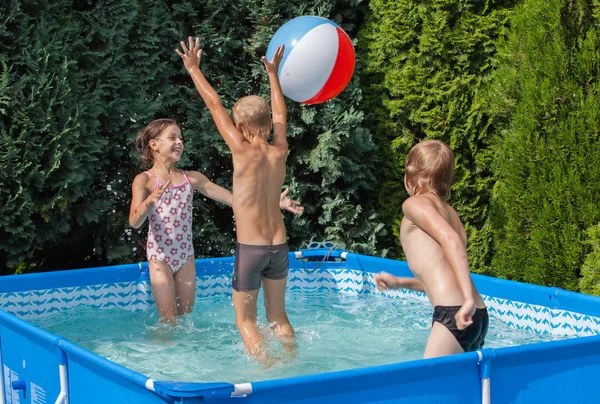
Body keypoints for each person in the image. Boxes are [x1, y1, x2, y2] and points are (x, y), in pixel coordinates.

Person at [176, 37, 295, 361]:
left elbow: (214, 104)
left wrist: (193, 68)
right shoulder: (280, 150)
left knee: (246, 321)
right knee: (278, 318)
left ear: (240, 126)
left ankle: (267, 370)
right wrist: (273, 74)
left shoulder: (241, 150)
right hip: (279, 246)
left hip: (251, 249)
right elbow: (281, 116)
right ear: (268, 124)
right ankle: (295, 367)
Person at [129, 118, 303, 325]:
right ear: (154, 145)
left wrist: (273, 200)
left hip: (185, 257)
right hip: (159, 258)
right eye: (172, 138)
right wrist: (149, 201)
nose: (179, 142)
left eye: (181, 138)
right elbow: (134, 222)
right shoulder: (145, 180)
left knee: (185, 320)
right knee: (168, 321)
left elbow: (235, 201)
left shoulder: (190, 178)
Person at [375, 140, 488, 358]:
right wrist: (400, 283)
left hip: (456, 312)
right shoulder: (450, 213)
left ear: (411, 175)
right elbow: (442, 278)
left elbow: (453, 242)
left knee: (427, 386)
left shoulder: (413, 204)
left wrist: (467, 301)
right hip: (478, 316)